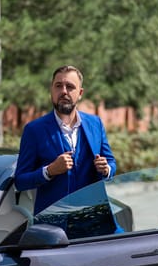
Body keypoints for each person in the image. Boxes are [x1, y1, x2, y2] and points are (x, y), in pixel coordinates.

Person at [14, 65, 117, 215]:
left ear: (80, 93)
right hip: (55, 223)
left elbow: (111, 162)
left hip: (95, 219)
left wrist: (106, 169)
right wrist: (49, 171)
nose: (63, 91)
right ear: (51, 90)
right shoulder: (34, 130)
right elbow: (20, 181)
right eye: (58, 86)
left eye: (70, 87)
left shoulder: (95, 124)